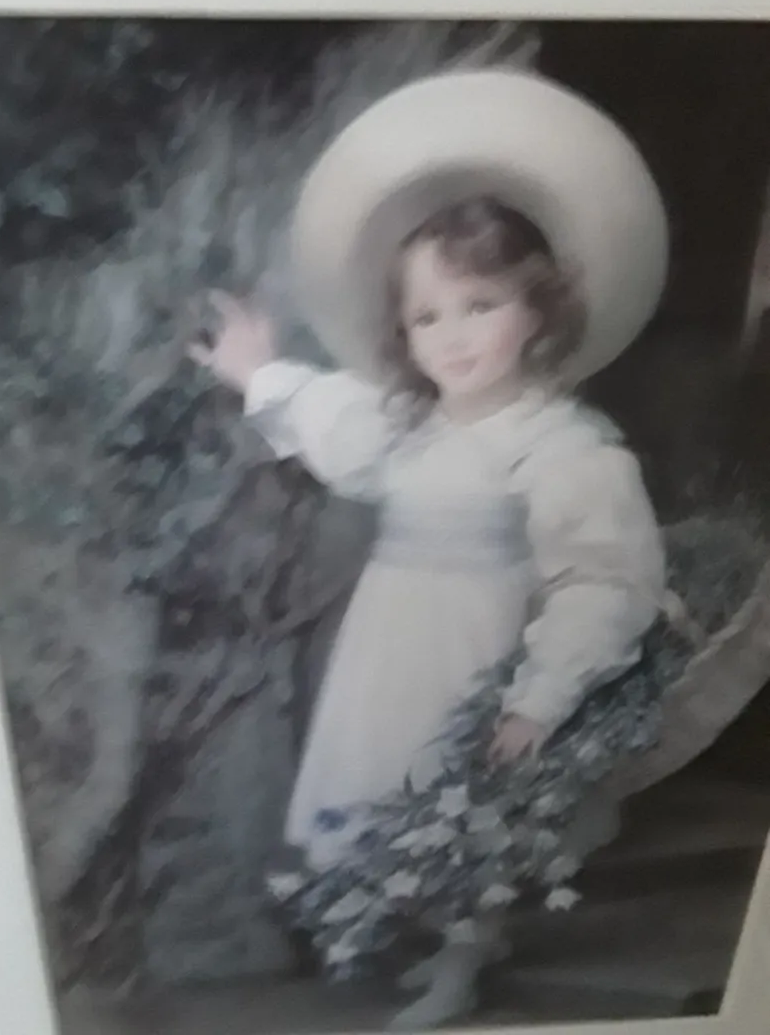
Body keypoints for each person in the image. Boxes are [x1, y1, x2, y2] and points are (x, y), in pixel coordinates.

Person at [191, 69, 671, 1028]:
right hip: (389, 654)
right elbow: (332, 420)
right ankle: (413, 936)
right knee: (389, 794)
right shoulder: (405, 426)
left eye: (481, 305)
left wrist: (541, 694)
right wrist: (257, 370)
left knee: (468, 810)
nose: (453, 337)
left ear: (538, 306)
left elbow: (605, 577)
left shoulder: (559, 445)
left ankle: (463, 961)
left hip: (478, 657)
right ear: (403, 331)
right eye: (427, 316)